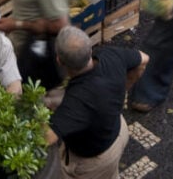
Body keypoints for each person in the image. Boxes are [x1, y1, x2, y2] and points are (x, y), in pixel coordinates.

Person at [46, 26, 149, 178]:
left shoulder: (76, 101)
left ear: (59, 61)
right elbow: (144, 59)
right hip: (118, 130)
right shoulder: (110, 55)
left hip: (95, 160)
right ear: (90, 49)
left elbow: (47, 137)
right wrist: (124, 89)